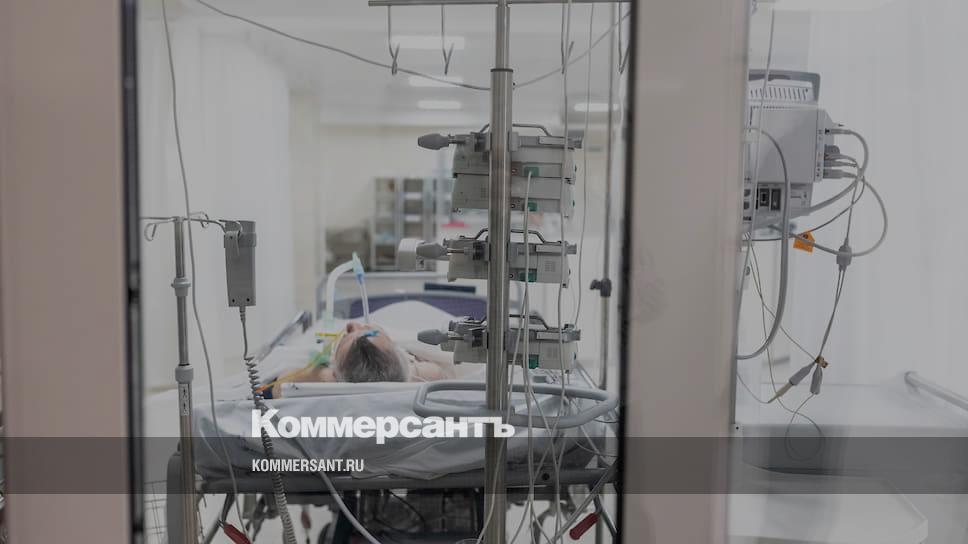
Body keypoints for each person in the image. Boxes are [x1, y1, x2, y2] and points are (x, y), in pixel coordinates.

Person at [268, 321, 455, 398]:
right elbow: (446, 376)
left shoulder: (324, 377)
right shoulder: (423, 374)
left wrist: (321, 372)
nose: (353, 325)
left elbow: (279, 388)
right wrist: (414, 369)